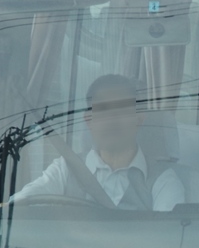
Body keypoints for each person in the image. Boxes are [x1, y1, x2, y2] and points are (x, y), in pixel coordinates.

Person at [12, 74, 185, 210]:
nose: (112, 119)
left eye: (122, 109)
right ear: (89, 120)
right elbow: (17, 206)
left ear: (139, 119)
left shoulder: (163, 179)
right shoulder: (65, 168)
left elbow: (170, 238)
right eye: (103, 110)